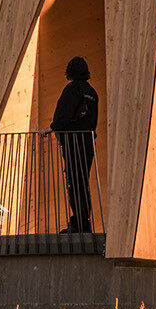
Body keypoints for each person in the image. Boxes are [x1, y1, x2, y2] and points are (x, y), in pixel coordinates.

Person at [42, 56, 98, 233]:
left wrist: (52, 128)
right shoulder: (92, 92)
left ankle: (78, 224)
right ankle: (84, 222)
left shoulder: (72, 89)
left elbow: (65, 114)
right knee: (82, 181)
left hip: (74, 142)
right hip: (87, 142)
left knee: (74, 182)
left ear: (69, 72)